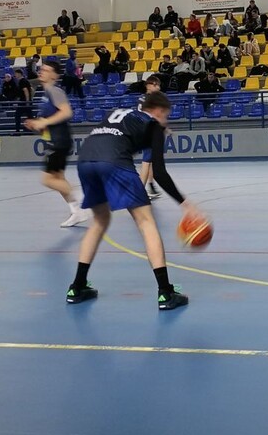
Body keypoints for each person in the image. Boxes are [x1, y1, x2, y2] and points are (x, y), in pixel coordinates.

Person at [68, 91, 202, 310]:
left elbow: (122, 140)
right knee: (146, 222)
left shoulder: (123, 114)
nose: (166, 121)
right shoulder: (153, 125)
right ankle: (165, 293)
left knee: (100, 221)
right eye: (166, 116)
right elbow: (159, 173)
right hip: (113, 161)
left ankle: (77, 287)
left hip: (85, 161)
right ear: (158, 111)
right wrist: (185, 204)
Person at [23, 59, 91, 228]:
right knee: (59, 178)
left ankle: (82, 200)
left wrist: (44, 122)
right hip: (53, 140)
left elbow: (67, 112)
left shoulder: (55, 91)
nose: (42, 71)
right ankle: (76, 212)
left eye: (46, 70)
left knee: (47, 179)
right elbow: (47, 122)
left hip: (59, 141)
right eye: (42, 69)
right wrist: (37, 124)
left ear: (54, 75)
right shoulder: (45, 95)